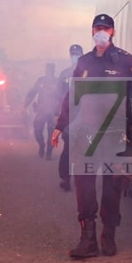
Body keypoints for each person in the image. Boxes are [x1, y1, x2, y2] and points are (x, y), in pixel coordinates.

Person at [51, 14, 132, 259]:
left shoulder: (126, 61)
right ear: (92, 31)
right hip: (86, 134)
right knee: (84, 186)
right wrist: (60, 125)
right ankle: (88, 239)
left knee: (112, 188)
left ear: (113, 32)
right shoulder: (84, 62)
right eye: (97, 28)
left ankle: (109, 235)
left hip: (116, 134)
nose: (101, 32)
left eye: (105, 28)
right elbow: (71, 96)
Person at [56, 45, 83, 191]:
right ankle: (65, 178)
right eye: (73, 54)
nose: (75, 56)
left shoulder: (89, 73)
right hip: (68, 116)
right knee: (68, 148)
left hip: (85, 116)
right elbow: (57, 96)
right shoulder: (64, 74)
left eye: (77, 53)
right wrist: (57, 115)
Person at [26, 63, 61, 160]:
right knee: (37, 130)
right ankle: (41, 144)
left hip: (54, 111)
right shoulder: (40, 81)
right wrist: (25, 105)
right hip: (41, 110)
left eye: (51, 69)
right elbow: (32, 92)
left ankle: (49, 152)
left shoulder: (58, 82)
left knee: (52, 133)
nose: (49, 71)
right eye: (48, 69)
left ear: (54, 71)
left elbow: (62, 96)